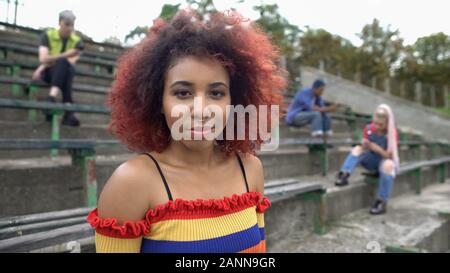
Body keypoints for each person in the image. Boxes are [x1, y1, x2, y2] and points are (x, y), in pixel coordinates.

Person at [86, 10, 286, 253]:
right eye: (183, 93)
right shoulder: (132, 183)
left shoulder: (251, 169)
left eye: (216, 93)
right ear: (157, 101)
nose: (201, 111)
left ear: (235, 101)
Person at [335, 104, 400, 215]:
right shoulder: (369, 129)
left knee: (388, 165)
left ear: (387, 123)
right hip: (371, 161)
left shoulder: (392, 133)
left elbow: (390, 156)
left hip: (383, 161)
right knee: (357, 149)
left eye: (381, 125)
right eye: (375, 123)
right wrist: (365, 145)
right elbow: (364, 147)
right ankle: (344, 174)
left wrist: (377, 148)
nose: (378, 127)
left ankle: (381, 201)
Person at [32, 10, 84, 126]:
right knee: (65, 65)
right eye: (67, 24)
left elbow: (71, 62)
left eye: (72, 25)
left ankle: (51, 98)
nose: (70, 28)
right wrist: (66, 54)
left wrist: (54, 59)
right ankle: (68, 111)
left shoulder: (77, 41)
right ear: (60, 22)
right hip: (47, 72)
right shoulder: (48, 35)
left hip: (63, 71)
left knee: (67, 67)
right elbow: (42, 59)